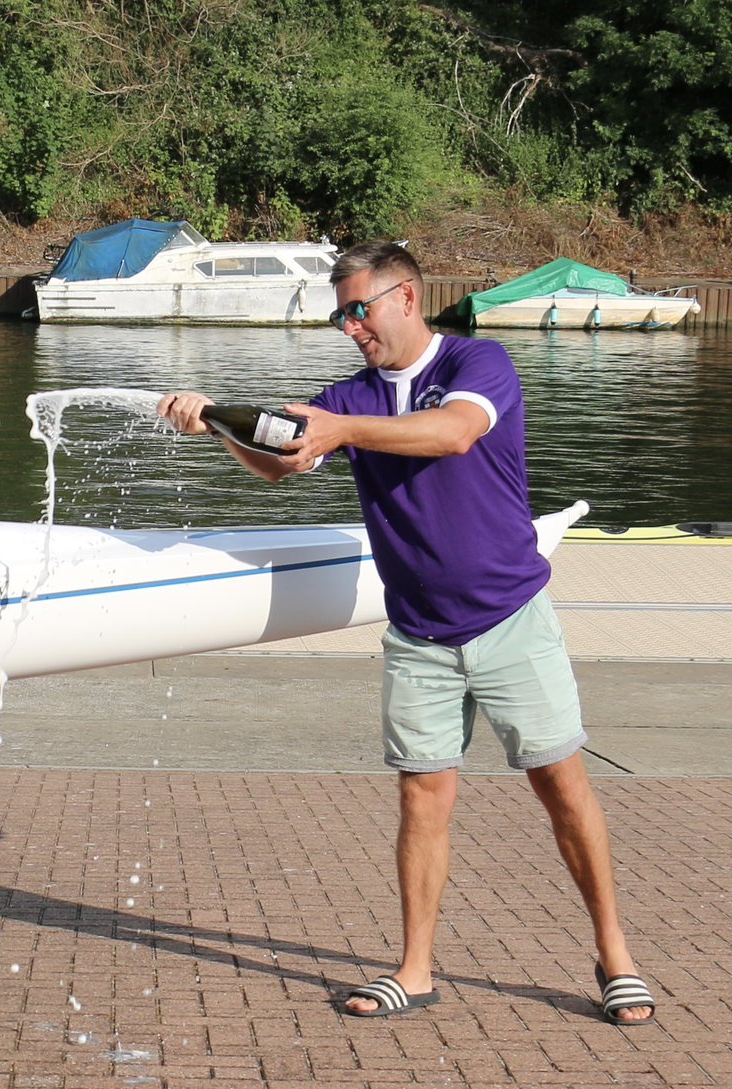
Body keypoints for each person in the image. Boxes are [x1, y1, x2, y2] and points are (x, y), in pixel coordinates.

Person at [157, 240, 655, 1026]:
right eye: (339, 315)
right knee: (423, 799)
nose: (350, 327)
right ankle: (415, 969)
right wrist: (214, 420)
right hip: (420, 633)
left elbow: (453, 433)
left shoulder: (478, 363)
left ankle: (615, 954)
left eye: (360, 310)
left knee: (562, 788)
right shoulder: (345, 397)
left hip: (510, 619)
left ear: (407, 299)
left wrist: (341, 431)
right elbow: (284, 462)